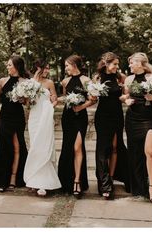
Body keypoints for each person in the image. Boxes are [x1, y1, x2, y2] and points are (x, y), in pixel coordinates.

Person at [93, 52, 130, 200]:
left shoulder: (121, 78)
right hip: (102, 116)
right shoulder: (97, 78)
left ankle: (111, 178)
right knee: (103, 149)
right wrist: (93, 92)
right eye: (115, 64)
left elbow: (125, 96)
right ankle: (104, 182)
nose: (117, 66)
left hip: (117, 115)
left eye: (117, 64)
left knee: (115, 146)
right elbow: (93, 98)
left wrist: (125, 97)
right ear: (107, 64)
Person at [58, 55, 94, 199]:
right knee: (68, 147)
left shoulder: (86, 80)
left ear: (74, 65)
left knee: (78, 147)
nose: (65, 68)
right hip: (67, 117)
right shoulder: (65, 81)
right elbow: (65, 99)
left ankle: (78, 180)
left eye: (67, 65)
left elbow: (93, 99)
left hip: (80, 117)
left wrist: (81, 107)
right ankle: (66, 181)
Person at [23, 59, 61, 196]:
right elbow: (27, 104)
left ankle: (45, 182)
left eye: (48, 68)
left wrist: (52, 104)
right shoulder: (30, 83)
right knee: (35, 146)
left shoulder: (49, 83)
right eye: (45, 68)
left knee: (45, 146)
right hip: (34, 117)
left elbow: (54, 98)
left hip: (45, 116)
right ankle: (34, 180)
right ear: (38, 68)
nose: (47, 71)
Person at [122, 52, 152, 203]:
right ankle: (138, 188)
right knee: (134, 151)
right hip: (132, 118)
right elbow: (125, 96)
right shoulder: (129, 79)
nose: (129, 65)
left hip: (148, 117)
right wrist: (126, 101)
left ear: (141, 63)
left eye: (132, 63)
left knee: (150, 152)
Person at [0, 55, 28, 192]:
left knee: (17, 146)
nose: (7, 67)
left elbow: (27, 102)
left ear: (17, 66)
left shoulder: (26, 82)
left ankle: (15, 178)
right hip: (4, 117)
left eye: (9, 65)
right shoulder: (2, 81)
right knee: (3, 148)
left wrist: (23, 99)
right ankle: (2, 180)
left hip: (17, 117)